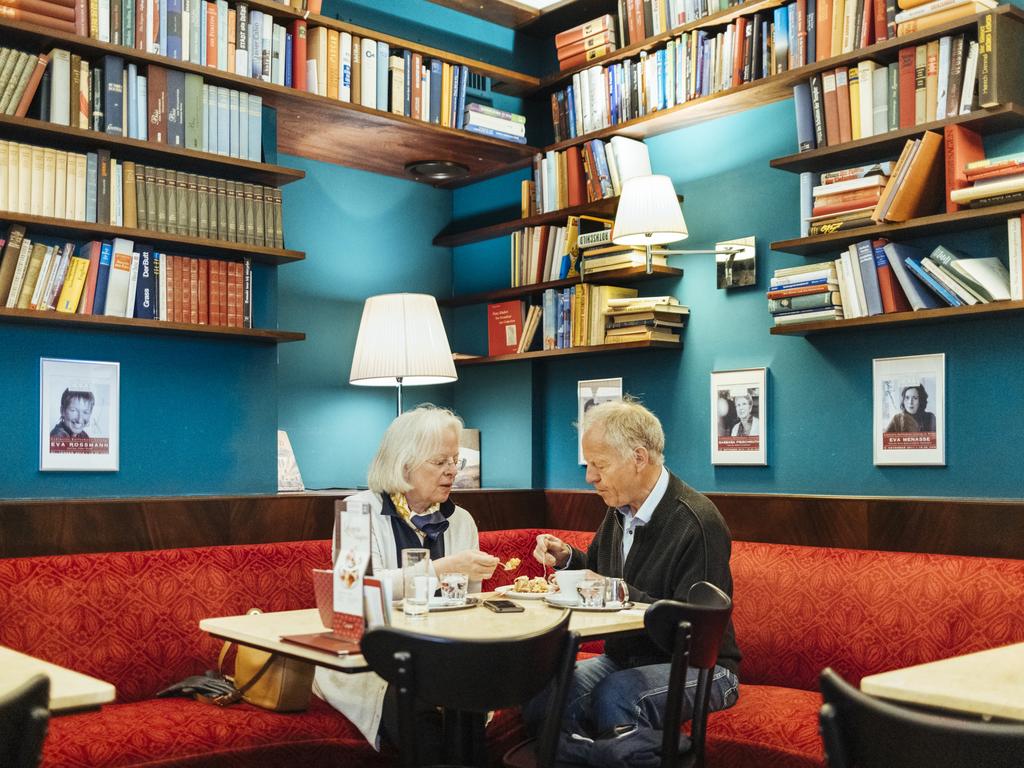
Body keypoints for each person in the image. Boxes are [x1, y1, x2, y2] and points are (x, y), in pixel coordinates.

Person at [527, 399, 741, 742]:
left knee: (616, 696)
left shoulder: (698, 522)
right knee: (545, 694)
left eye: (599, 465)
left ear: (639, 458)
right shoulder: (618, 511)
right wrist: (568, 558)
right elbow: (599, 573)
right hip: (625, 659)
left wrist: (614, 590)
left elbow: (693, 628)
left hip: (703, 667)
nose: (589, 477)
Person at [314, 405, 499, 756]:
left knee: (472, 695)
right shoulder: (357, 512)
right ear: (403, 463)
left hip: (442, 656)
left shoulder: (462, 521)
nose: (450, 472)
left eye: (455, 461)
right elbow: (357, 595)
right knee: (420, 705)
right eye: (439, 462)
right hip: (372, 661)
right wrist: (440, 569)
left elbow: (468, 608)